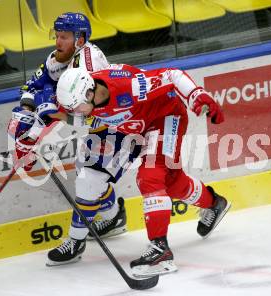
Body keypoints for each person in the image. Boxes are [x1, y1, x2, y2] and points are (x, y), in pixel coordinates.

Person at [45, 64, 232, 277]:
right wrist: (47, 120)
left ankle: (160, 250)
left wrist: (195, 95)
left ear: (90, 93)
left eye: (77, 106)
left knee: (150, 176)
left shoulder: (129, 87)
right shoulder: (90, 95)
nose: (75, 112)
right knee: (169, 182)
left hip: (165, 117)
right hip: (132, 126)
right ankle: (214, 203)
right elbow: (85, 116)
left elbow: (171, 75)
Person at [13, 13, 128, 247]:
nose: (58, 42)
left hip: (114, 124)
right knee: (88, 174)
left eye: (64, 37)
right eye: (57, 36)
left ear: (80, 38)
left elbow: (82, 110)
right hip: (95, 125)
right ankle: (114, 217)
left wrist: (40, 124)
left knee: (89, 177)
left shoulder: (89, 62)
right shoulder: (61, 58)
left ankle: (78, 240)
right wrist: (29, 113)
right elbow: (34, 85)